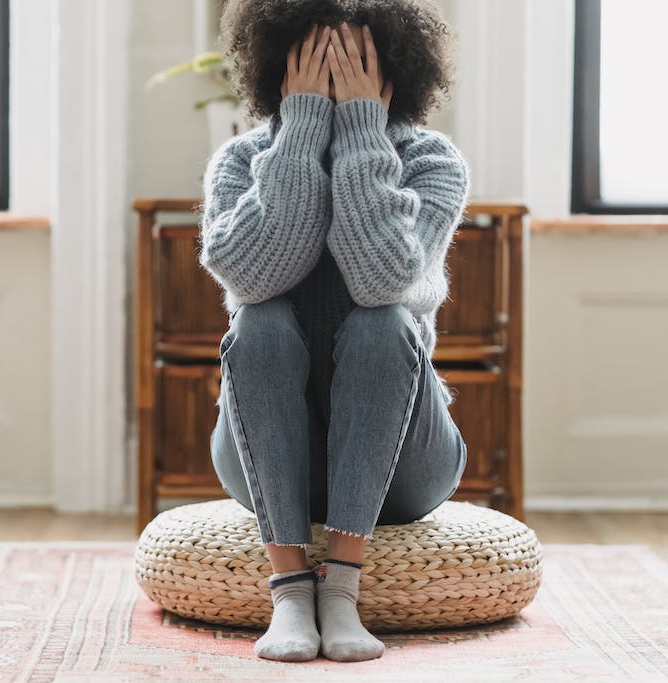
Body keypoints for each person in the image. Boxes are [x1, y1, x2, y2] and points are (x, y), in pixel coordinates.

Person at [198, 0, 470, 663]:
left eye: (354, 60)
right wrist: (301, 132)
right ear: (280, 65)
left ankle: (341, 586)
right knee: (258, 320)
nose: (334, 71)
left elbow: (382, 280)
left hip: (405, 464)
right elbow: (255, 275)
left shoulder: (432, 161)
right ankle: (291, 586)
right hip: (264, 457)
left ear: (392, 67)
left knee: (382, 321)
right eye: (316, 57)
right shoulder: (239, 162)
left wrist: (361, 132)